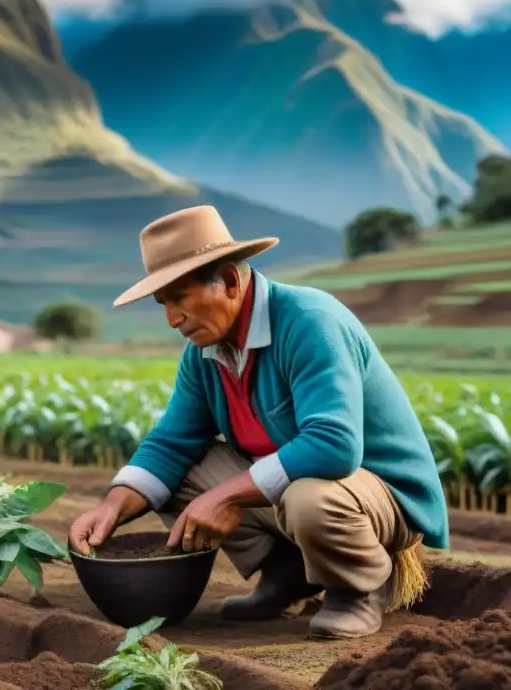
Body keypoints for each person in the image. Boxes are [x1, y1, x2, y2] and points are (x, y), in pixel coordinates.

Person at [68, 205, 449, 639]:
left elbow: (335, 445)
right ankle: (288, 574)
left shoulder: (310, 322)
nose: (172, 319)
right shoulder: (204, 355)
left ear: (230, 281)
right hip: (302, 484)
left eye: (179, 298)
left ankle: (357, 590)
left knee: (310, 497)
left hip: (378, 493)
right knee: (180, 474)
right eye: (163, 304)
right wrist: (110, 508)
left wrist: (227, 497)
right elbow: (170, 443)